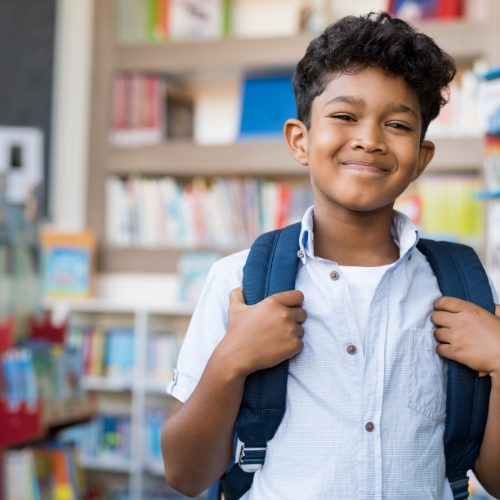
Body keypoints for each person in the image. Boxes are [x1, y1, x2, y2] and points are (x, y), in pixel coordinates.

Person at [160, 12, 500, 500]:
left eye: (398, 123)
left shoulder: (463, 287)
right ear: (300, 140)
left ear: (421, 158)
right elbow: (185, 476)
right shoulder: (238, 283)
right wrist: (231, 360)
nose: (369, 138)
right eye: (344, 116)